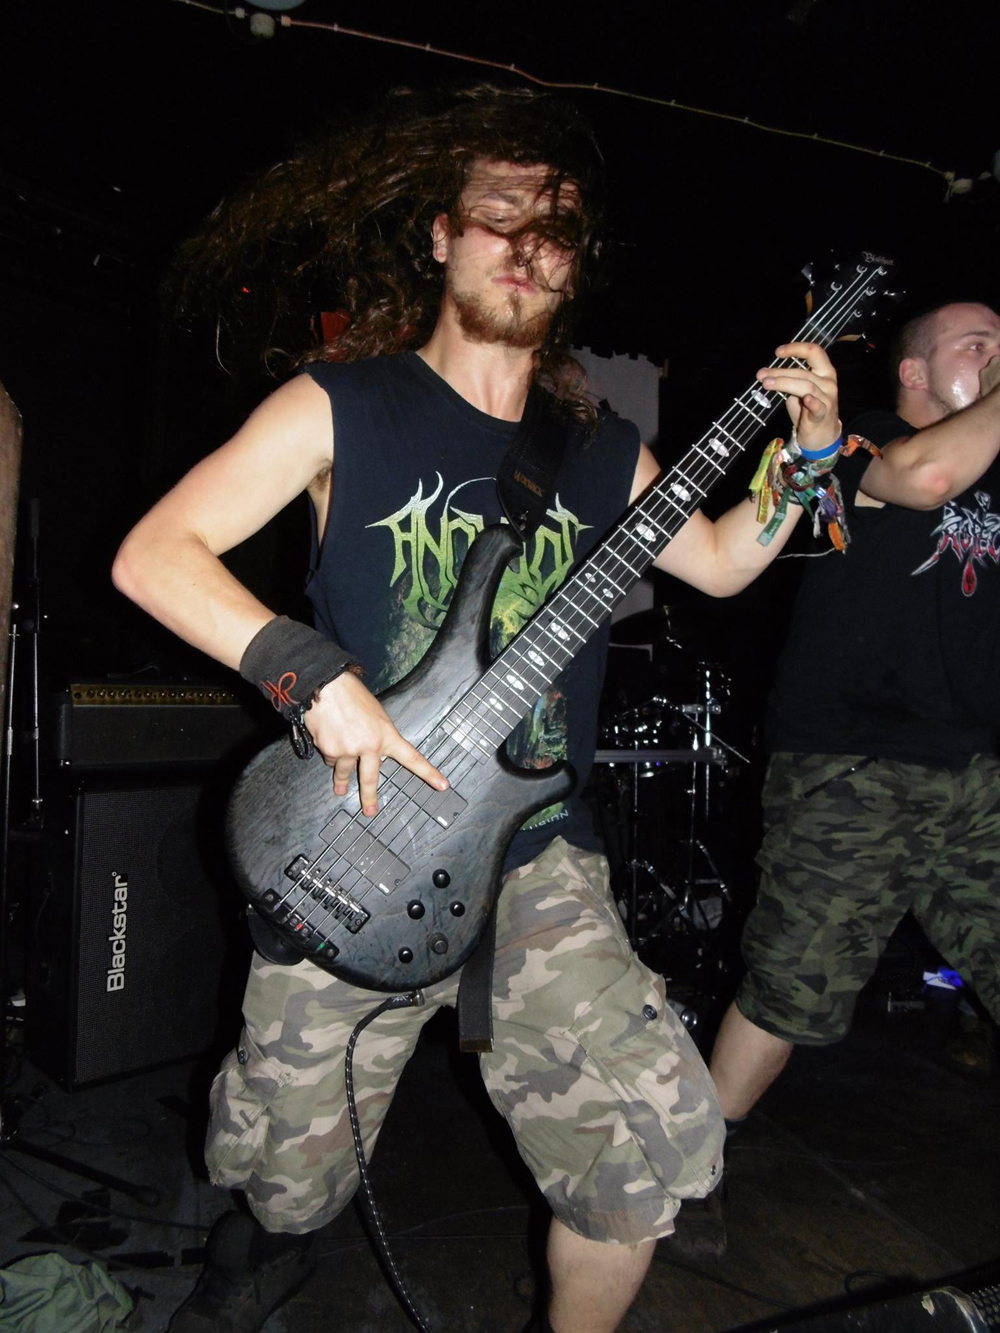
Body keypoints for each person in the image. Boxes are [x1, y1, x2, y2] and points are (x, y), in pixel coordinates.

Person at [113, 86, 840, 1333]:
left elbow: (722, 562)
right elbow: (153, 555)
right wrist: (312, 677)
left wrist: (807, 454)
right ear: (441, 235)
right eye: (497, 214)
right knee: (286, 1182)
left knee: (644, 1155)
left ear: (576, 264)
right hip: (357, 835)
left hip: (535, 854)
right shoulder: (340, 403)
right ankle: (262, 1244)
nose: (524, 243)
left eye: (553, 226)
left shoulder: (598, 447)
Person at [710, 301, 1000, 1145]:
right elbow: (926, 478)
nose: (994, 357)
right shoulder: (861, 438)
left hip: (974, 769)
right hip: (853, 764)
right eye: (977, 345)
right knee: (790, 992)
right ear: (914, 371)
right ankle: (690, 1166)